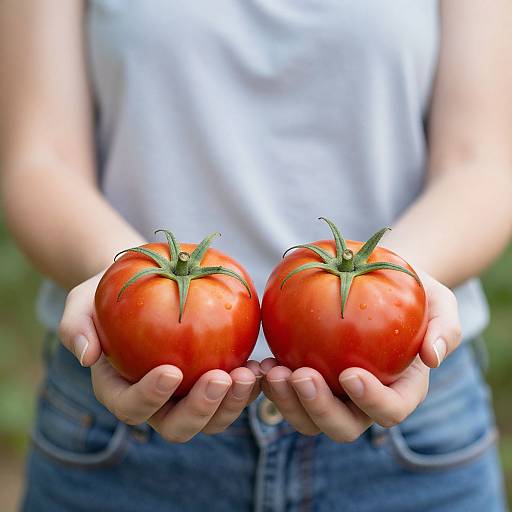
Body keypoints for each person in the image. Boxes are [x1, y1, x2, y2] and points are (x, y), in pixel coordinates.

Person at [1, 0, 511, 510]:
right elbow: (40, 159)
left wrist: (405, 288)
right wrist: (121, 281)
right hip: (117, 437)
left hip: (411, 430)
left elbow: (480, 163)